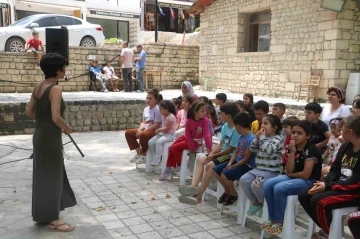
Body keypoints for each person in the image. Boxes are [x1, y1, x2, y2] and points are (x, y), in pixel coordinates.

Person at [25, 53, 76, 232]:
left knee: (42, 174)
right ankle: (54, 219)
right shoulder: (55, 89)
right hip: (50, 137)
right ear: (58, 70)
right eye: (64, 67)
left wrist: (43, 122)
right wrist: (66, 127)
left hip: (39, 134)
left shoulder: (38, 86)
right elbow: (56, 116)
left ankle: (43, 215)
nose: (65, 70)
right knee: (52, 174)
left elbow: (29, 112)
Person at [298, 115, 360, 239]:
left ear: (350, 132)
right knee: (305, 194)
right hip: (339, 185)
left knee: (320, 201)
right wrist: (324, 181)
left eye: (342, 129)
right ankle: (328, 228)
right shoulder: (345, 146)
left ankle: (328, 232)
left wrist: (328, 186)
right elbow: (334, 170)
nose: (340, 132)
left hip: (354, 192)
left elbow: (356, 182)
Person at [261, 120, 322, 235]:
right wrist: (292, 152)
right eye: (293, 132)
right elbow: (289, 169)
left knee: (280, 188)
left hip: (309, 181)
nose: (295, 135)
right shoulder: (293, 147)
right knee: (268, 184)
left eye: (299, 133)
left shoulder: (311, 149)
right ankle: (273, 218)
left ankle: (279, 221)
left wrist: (290, 175)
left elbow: (306, 174)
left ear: (308, 136)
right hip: (295, 178)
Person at [178, 103, 240, 205]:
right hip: (222, 152)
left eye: (222, 113)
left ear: (228, 115)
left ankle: (198, 197)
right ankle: (194, 187)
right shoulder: (225, 126)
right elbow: (221, 144)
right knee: (201, 159)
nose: (220, 116)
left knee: (209, 165)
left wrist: (213, 155)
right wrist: (211, 153)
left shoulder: (236, 129)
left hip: (230, 155)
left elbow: (230, 149)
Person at [239, 115, 283, 217]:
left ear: (274, 128)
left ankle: (266, 204)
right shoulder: (262, 138)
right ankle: (257, 202)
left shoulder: (277, 140)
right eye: (262, 123)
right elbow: (252, 149)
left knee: (256, 185)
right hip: (258, 169)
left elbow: (268, 150)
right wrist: (257, 139)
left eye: (266, 123)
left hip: (271, 171)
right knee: (244, 180)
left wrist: (262, 138)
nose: (262, 125)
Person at [159, 102, 212, 180]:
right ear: (195, 112)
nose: (205, 113)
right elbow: (187, 135)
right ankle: (169, 168)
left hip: (196, 142)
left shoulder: (205, 121)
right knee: (171, 147)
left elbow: (206, 134)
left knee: (175, 148)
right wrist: (191, 145)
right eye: (202, 111)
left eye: (205, 111)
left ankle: (179, 164)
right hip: (188, 139)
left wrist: (209, 146)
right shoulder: (189, 121)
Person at [214, 112, 256, 206]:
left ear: (238, 126)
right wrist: (230, 163)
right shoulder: (241, 137)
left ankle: (233, 194)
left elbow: (246, 159)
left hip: (246, 165)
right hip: (237, 161)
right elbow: (236, 152)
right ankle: (227, 191)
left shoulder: (251, 139)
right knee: (215, 170)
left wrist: (233, 166)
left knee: (225, 175)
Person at [125, 89, 162, 164]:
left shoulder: (157, 109)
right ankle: (139, 152)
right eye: (147, 98)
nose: (148, 100)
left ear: (156, 100)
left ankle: (144, 153)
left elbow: (156, 125)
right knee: (128, 133)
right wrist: (139, 129)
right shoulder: (146, 109)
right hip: (146, 129)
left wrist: (143, 131)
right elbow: (144, 122)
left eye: (150, 98)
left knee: (143, 135)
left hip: (154, 130)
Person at [148, 100, 177, 166]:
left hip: (170, 135)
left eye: (161, 109)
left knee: (159, 142)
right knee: (151, 142)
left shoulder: (171, 117)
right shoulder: (163, 115)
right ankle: (158, 156)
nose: (159, 111)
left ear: (166, 109)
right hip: (163, 134)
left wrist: (159, 130)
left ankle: (157, 160)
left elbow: (167, 129)